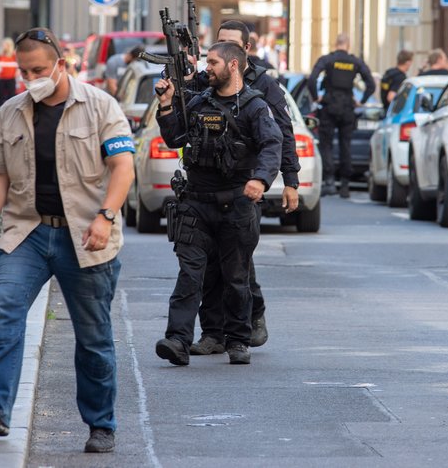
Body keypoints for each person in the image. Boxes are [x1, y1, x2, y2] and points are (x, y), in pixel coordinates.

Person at [0, 27, 135, 454]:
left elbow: (123, 166)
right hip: (28, 232)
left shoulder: (100, 106)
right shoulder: (13, 111)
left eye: (38, 69)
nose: (30, 78)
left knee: (93, 337)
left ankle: (100, 424)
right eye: (23, 71)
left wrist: (105, 217)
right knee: (4, 314)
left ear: (61, 63)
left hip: (86, 235)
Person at [153, 41, 282, 367]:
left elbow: (272, 144)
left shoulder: (254, 107)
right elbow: (174, 139)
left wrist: (261, 179)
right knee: (190, 275)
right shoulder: (199, 103)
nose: (206, 68)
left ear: (233, 66)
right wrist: (167, 106)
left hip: (237, 205)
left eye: (212, 62)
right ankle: (178, 340)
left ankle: (237, 340)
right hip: (196, 204)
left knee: (236, 277)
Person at [188, 19, 299, 356]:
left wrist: (290, 181)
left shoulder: (264, 84)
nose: (222, 49)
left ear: (245, 49)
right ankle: (213, 334)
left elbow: (281, 133)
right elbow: (184, 117)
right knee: (208, 265)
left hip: (242, 185)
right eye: (218, 42)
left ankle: (253, 316)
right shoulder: (206, 78)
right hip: (206, 188)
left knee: (238, 266)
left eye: (230, 43)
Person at [310, 33, 374, 198]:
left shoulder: (328, 59)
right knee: (346, 145)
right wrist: (362, 101)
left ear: (335, 43)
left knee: (326, 144)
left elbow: (312, 79)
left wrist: (316, 96)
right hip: (347, 106)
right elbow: (371, 84)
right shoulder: (355, 62)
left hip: (329, 104)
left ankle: (330, 181)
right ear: (348, 44)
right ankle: (345, 185)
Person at [0, 37, 18, 105]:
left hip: (11, 78)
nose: (3, 46)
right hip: (1, 78)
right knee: (0, 96)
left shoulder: (13, 55)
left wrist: (16, 73)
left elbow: (17, 66)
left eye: (5, 44)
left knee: (11, 96)